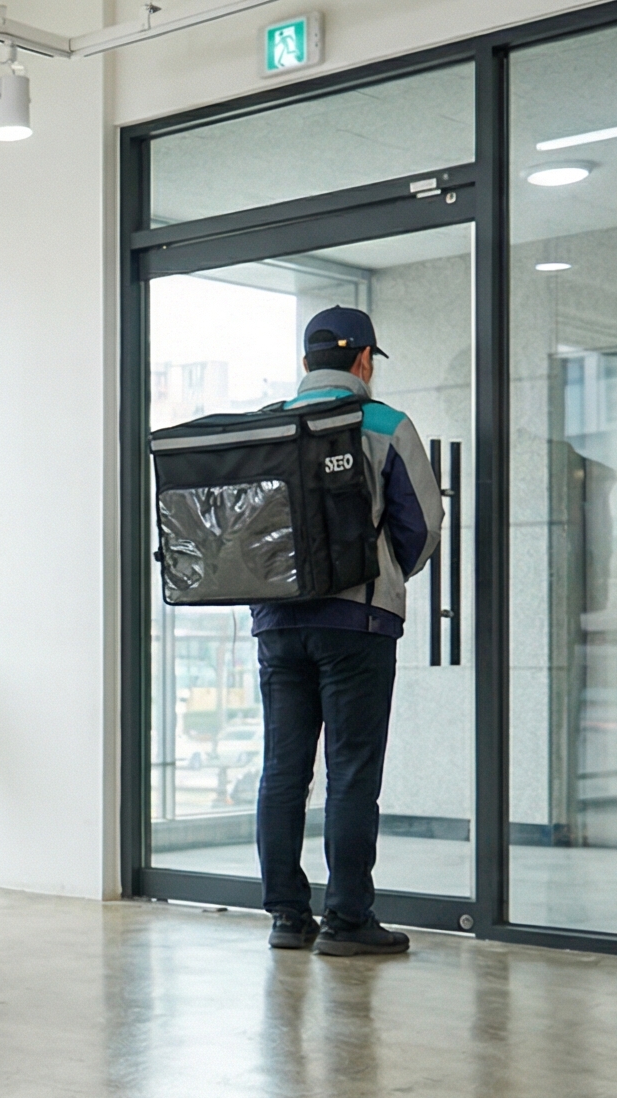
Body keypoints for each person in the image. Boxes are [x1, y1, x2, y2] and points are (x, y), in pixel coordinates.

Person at [251, 306, 443, 957]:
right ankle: (347, 919)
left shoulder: (268, 424)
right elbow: (423, 527)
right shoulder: (386, 424)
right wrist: (381, 575)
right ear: (364, 360)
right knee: (352, 771)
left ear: (306, 363)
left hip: (278, 623)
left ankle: (286, 916)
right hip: (358, 623)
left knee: (283, 769)